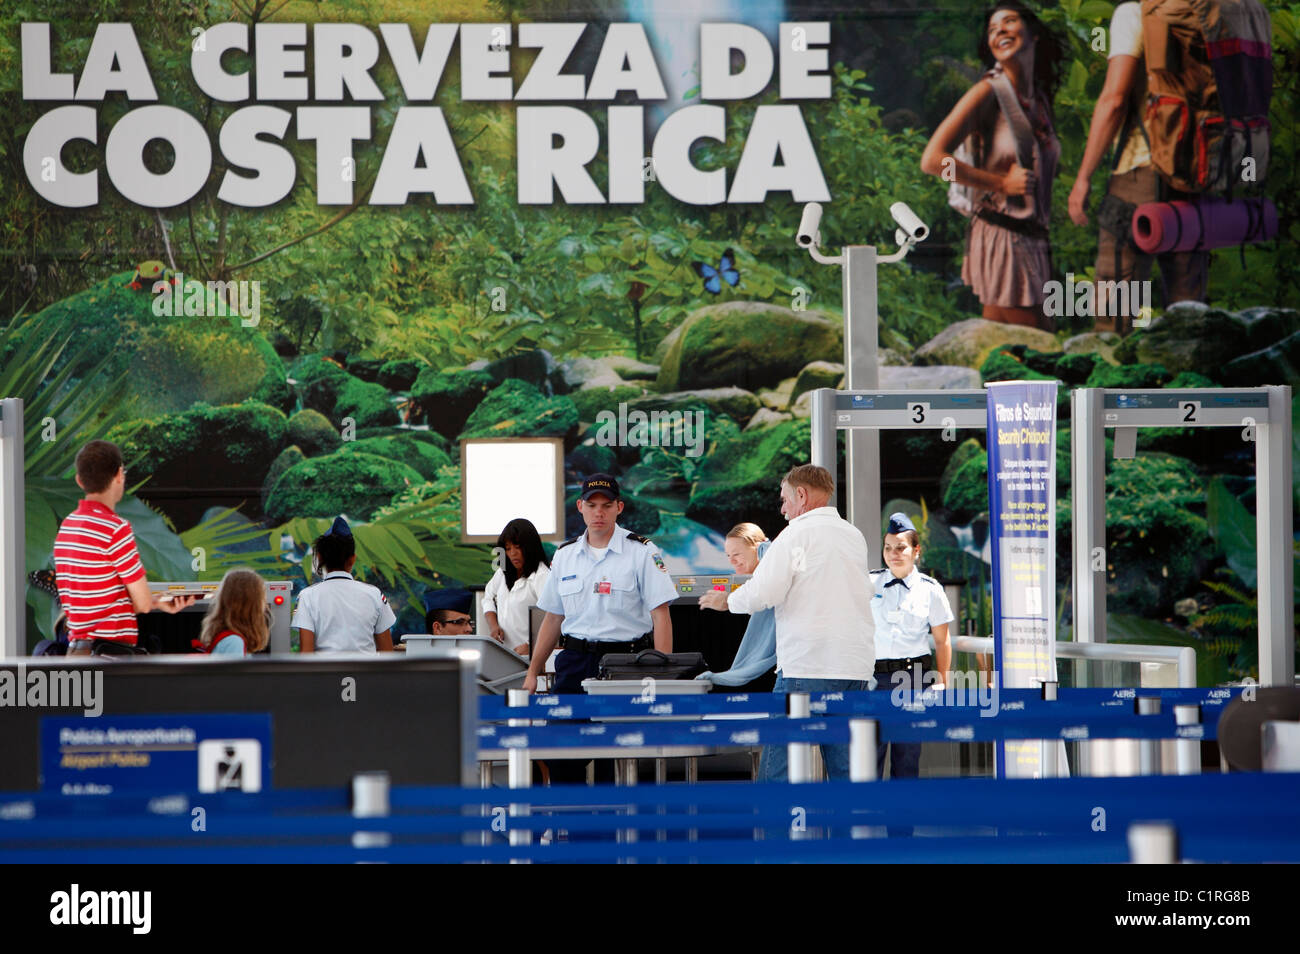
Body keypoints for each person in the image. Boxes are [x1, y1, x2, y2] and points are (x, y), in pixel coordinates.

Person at [700, 465, 875, 782]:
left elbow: (764, 592)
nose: (782, 510)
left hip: (806, 669)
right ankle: (854, 831)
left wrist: (726, 601)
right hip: (854, 669)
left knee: (777, 773)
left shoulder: (795, 534)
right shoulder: (854, 535)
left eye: (784, 500)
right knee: (850, 774)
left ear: (802, 495)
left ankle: (778, 832)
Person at [1067, 1, 1208, 333]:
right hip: (1199, 175)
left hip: (1141, 173)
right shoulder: (1210, 16)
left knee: (1114, 309)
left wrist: (1083, 178)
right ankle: (1190, 380)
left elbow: (1114, 100)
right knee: (1190, 311)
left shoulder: (1135, 14)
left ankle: (1113, 380)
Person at [921, 1, 1063, 330]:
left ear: (1034, 33)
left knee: (1017, 352)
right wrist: (999, 183)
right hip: (1002, 237)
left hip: (1035, 240)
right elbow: (932, 161)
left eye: (1009, 22)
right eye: (992, 28)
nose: (999, 31)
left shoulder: (1039, 100)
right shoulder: (987, 92)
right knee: (1033, 348)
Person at [525, 474, 677, 695]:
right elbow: (553, 618)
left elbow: (661, 616)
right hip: (573, 664)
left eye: (607, 505)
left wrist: (663, 677)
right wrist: (532, 672)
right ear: (579, 506)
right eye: (591, 505)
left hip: (627, 663)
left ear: (619, 507)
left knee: (627, 730)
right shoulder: (564, 555)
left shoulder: (643, 551)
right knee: (562, 728)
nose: (599, 512)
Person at [53, 440, 197, 655]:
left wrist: (157, 602)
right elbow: (143, 603)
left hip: (76, 653)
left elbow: (99, 597)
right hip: (109, 657)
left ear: (79, 480)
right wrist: (153, 602)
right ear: (119, 474)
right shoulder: (115, 529)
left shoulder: (68, 526)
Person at [868, 513, 955, 779]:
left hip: (913, 680)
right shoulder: (868, 583)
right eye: (888, 547)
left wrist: (942, 681)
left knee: (907, 758)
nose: (894, 553)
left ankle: (901, 820)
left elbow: (942, 641)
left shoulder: (930, 589)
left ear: (916, 551)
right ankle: (866, 821)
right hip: (874, 679)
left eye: (901, 547)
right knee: (869, 757)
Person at [292, 517, 395, 653]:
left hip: (325, 674)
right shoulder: (374, 594)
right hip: (366, 674)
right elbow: (387, 653)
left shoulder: (307, 596)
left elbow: (306, 653)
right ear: (353, 559)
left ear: (320, 558)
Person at [696, 523, 777, 688]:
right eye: (728, 555)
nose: (732, 561)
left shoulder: (771, 575)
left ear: (758, 548)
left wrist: (728, 601)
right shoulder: (759, 578)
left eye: (737, 554)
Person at [483, 518, 552, 659]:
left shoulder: (542, 576)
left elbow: (552, 618)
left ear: (530, 546)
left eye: (517, 546)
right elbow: (488, 598)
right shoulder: (502, 573)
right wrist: (493, 626)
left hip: (533, 658)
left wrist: (531, 646)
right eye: (508, 549)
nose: (512, 553)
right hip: (504, 655)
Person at [196, 569, 272, 656]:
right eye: (262, 598)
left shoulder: (230, 639)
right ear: (252, 604)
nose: (264, 604)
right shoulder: (234, 642)